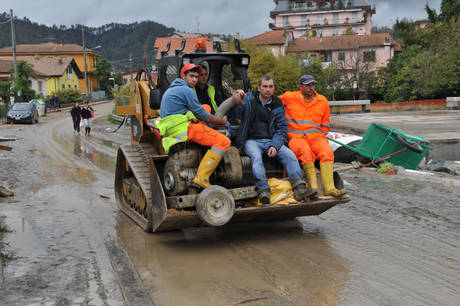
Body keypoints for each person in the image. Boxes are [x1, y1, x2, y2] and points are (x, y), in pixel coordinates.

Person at [157, 63, 244, 189]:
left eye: (196, 77)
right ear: (183, 75)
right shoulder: (186, 90)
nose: (194, 79)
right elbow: (202, 115)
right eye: (192, 76)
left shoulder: (172, 89)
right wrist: (221, 121)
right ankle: (201, 177)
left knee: (207, 107)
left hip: (174, 127)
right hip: (184, 129)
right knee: (223, 141)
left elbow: (198, 111)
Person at [235, 75, 316, 205]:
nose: (268, 89)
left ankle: (300, 187)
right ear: (259, 88)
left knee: (289, 155)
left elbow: (282, 128)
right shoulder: (248, 99)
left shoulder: (277, 103)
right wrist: (237, 96)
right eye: (265, 86)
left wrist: (274, 145)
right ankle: (263, 189)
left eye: (271, 87)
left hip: (271, 140)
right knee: (256, 157)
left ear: (274, 89)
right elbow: (236, 112)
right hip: (252, 140)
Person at [279, 75, 346, 197]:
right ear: (300, 86)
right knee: (306, 153)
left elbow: (325, 125)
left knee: (327, 152)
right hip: (296, 138)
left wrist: (319, 137)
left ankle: (330, 188)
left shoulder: (322, 101)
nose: (311, 87)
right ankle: (313, 189)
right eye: (308, 85)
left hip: (316, 138)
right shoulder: (289, 97)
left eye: (312, 85)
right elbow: (270, 100)